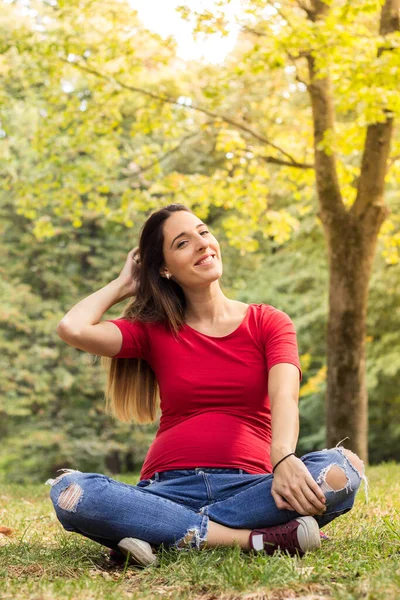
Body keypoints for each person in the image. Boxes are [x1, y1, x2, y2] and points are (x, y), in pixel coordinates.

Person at [46, 204, 368, 568]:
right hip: (166, 490)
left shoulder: (269, 321)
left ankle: (154, 533)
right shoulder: (153, 330)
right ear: (165, 269)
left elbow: (284, 396)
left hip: (253, 489)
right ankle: (252, 540)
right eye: (183, 242)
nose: (202, 244)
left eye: (203, 232)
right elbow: (72, 328)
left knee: (343, 470)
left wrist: (283, 457)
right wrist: (125, 284)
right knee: (72, 491)